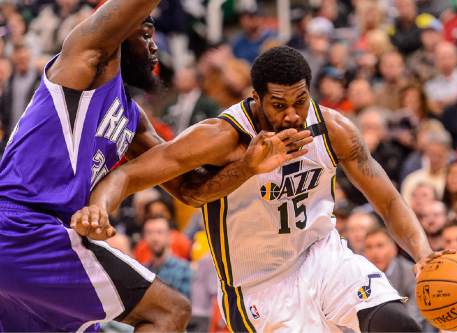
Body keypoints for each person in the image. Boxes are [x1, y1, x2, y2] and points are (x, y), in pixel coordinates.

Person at [73, 46, 442, 332]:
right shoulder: (223, 136)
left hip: (322, 256)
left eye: (300, 101)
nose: (292, 115)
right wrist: (99, 205)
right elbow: (133, 175)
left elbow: (389, 199)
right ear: (256, 97)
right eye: (279, 106)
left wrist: (422, 253)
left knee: (399, 324)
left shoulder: (333, 129)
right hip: (258, 285)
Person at [0, 1, 309, 331]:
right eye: (145, 33)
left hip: (43, 245)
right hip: (22, 226)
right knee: (168, 312)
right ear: (117, 33)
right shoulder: (82, 63)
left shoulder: (133, 120)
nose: (153, 46)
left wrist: (248, 167)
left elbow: (189, 190)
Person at [143, 215, 192, 299]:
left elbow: (186, 305)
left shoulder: (184, 269)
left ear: (169, 236)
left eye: (159, 232)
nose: (154, 238)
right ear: (144, 237)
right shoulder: (142, 271)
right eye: (149, 232)